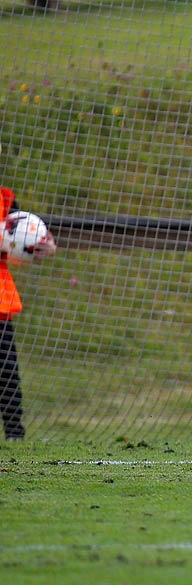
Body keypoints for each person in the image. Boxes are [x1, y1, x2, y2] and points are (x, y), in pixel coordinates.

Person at [1, 187, 56, 439]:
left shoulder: (5, 198)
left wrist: (44, 245)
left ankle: (15, 435)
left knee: (7, 371)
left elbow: (19, 233)